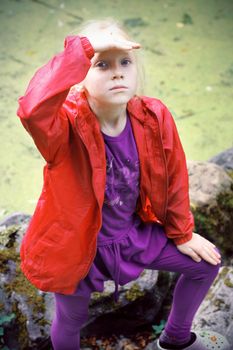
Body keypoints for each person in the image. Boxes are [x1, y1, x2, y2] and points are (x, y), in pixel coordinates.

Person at [17, 17, 227, 350]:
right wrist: (82, 52)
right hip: (78, 247)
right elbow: (31, 111)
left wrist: (182, 232)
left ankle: (175, 339)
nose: (117, 72)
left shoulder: (154, 116)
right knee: (70, 319)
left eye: (124, 62)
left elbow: (174, 178)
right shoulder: (64, 127)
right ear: (79, 77)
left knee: (206, 263)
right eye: (102, 64)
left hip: (132, 236)